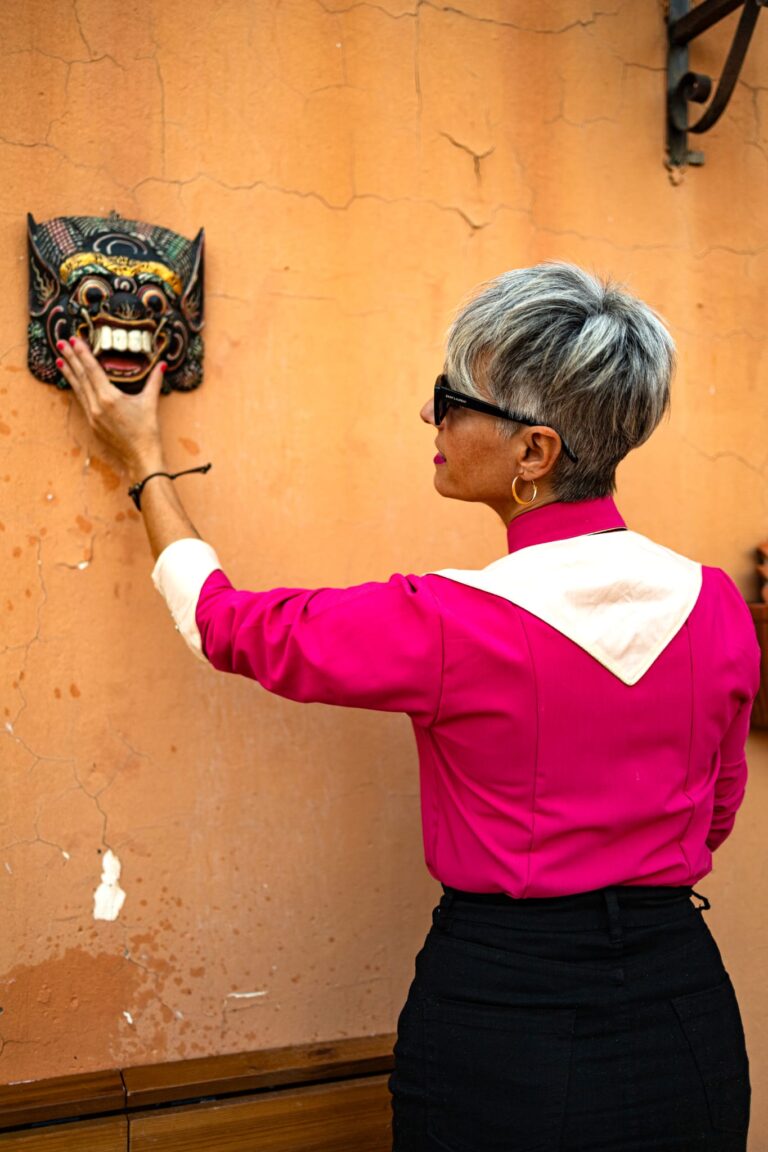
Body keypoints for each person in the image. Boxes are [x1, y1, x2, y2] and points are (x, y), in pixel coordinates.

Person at [59, 263, 760, 1151]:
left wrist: (144, 464)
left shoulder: (450, 625)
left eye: (451, 397)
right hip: (681, 1014)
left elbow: (222, 623)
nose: (432, 417)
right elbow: (717, 809)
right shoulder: (716, 604)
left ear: (535, 453)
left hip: (507, 1022)